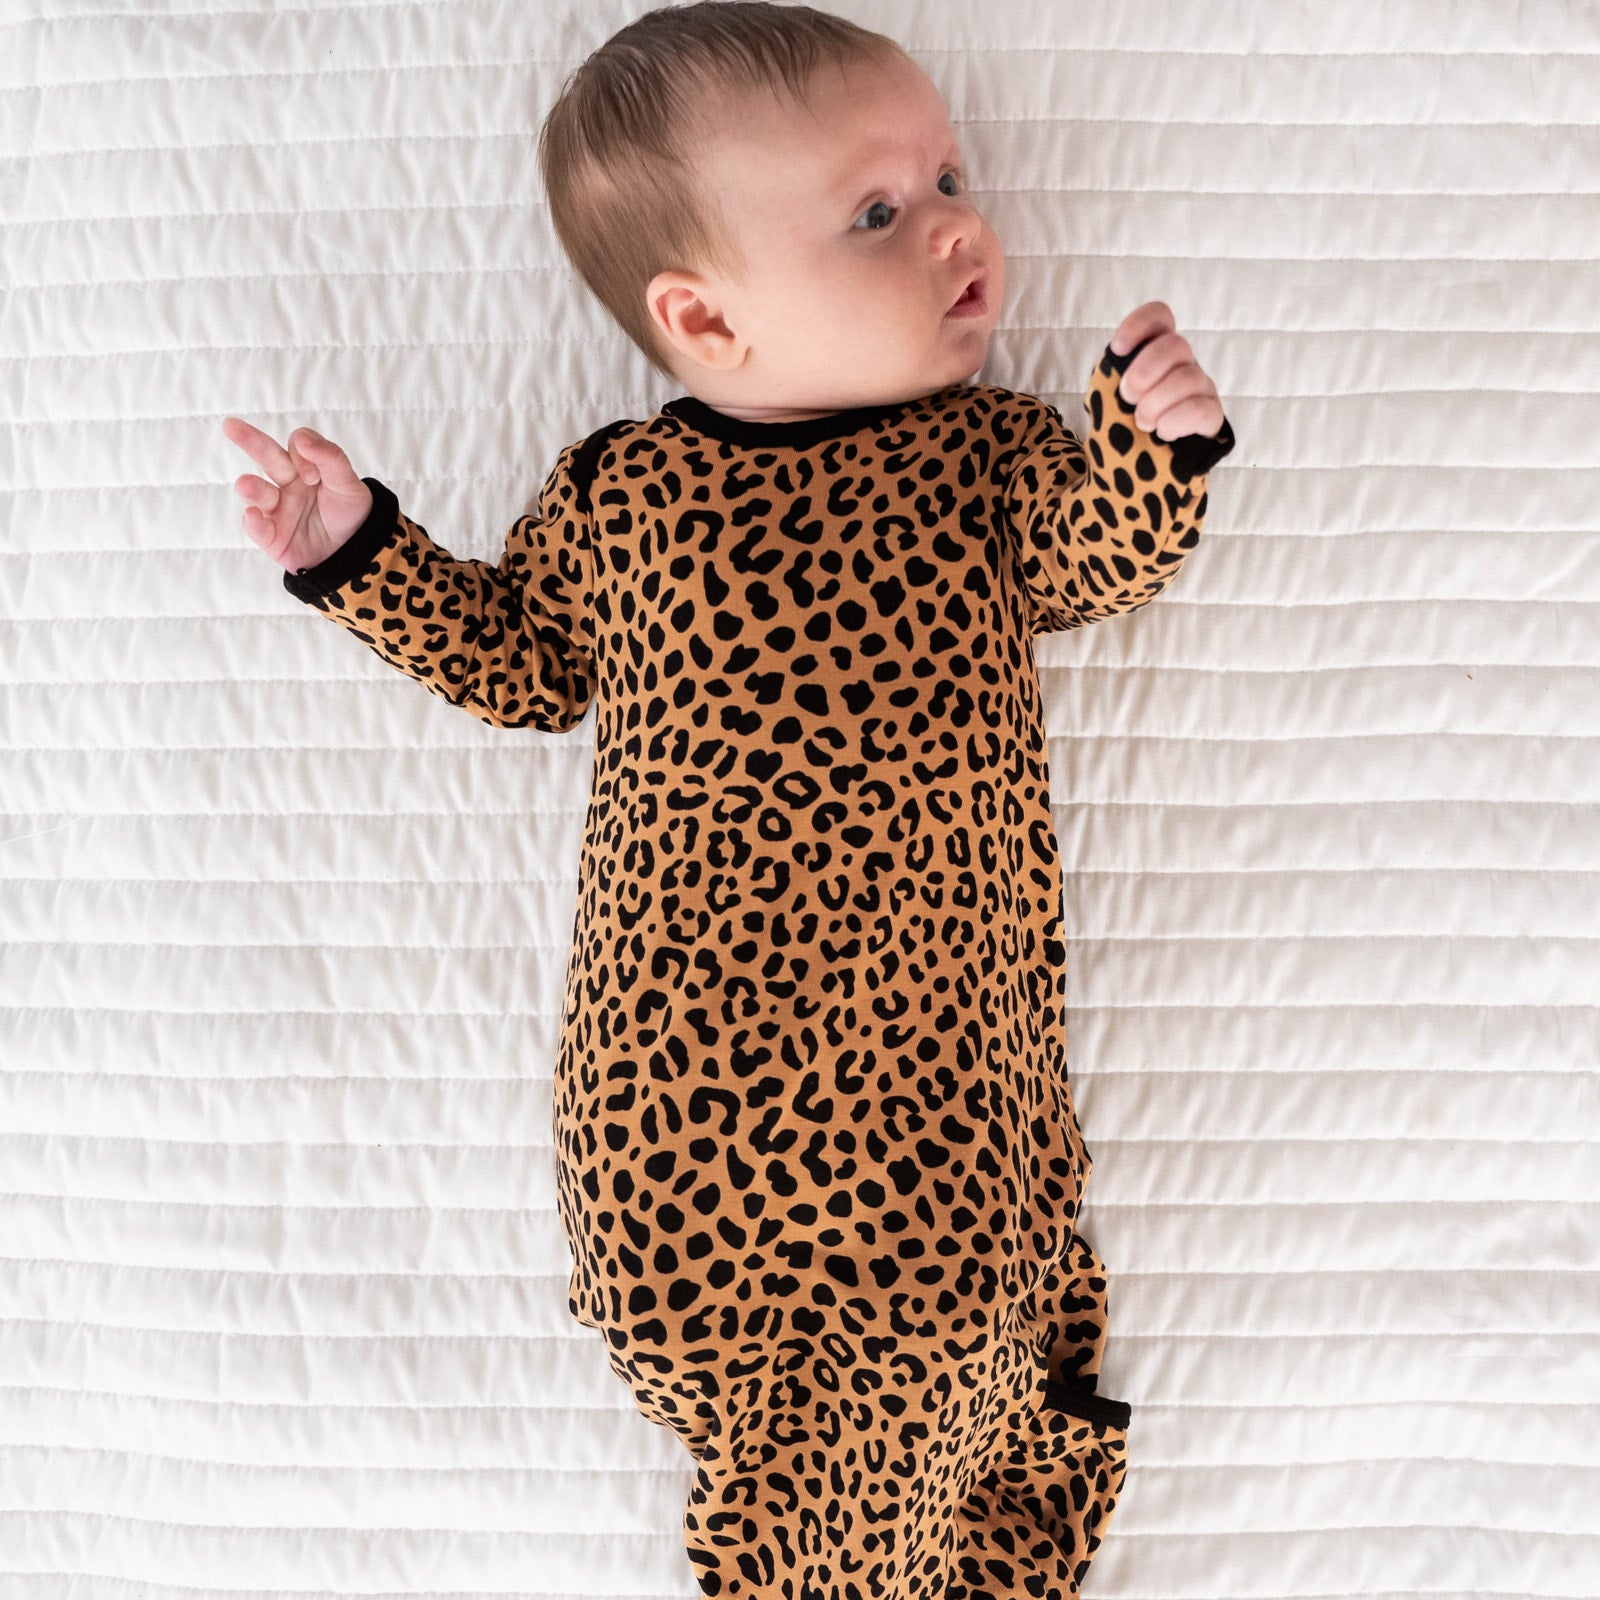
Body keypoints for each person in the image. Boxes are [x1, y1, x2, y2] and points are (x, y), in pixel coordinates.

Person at [221, 6, 1236, 1597]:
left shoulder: (981, 461)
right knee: (787, 1381)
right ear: (705, 318)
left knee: (949, 1339)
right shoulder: (623, 497)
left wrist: (1151, 456)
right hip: (671, 1103)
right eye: (880, 210)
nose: (961, 218)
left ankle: (930, 1519)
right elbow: (525, 663)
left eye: (950, 172)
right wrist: (365, 560)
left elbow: (1095, 556)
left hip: (932, 1088)